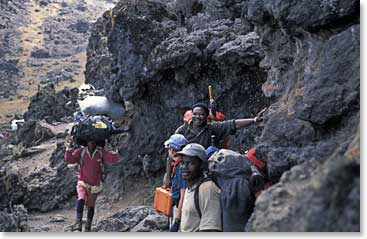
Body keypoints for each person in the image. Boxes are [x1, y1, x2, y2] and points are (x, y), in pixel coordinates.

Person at [64, 138, 120, 232]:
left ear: (96, 142)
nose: (92, 143)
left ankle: (88, 227)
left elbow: (113, 159)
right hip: (82, 182)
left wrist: (115, 149)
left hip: (95, 186)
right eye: (90, 141)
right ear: (86, 142)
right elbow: (69, 159)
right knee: (81, 198)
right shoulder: (80, 152)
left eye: (94, 141)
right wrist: (68, 148)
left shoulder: (101, 152)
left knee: (91, 205)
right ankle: (78, 222)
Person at [175, 143, 222, 232]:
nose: (184, 167)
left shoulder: (207, 189)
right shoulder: (191, 187)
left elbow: (211, 229)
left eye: (191, 163)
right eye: (182, 162)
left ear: (201, 165)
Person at [175, 103, 265, 149]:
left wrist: (254, 120)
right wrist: (168, 177)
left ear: (207, 117)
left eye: (201, 114)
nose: (197, 117)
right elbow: (171, 151)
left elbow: (234, 124)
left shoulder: (213, 127)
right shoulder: (182, 131)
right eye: (195, 114)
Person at [163, 134, 189, 232]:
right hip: (177, 205)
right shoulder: (177, 164)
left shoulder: (181, 169)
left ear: (172, 150)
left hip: (181, 208)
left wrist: (177, 221)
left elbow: (184, 195)